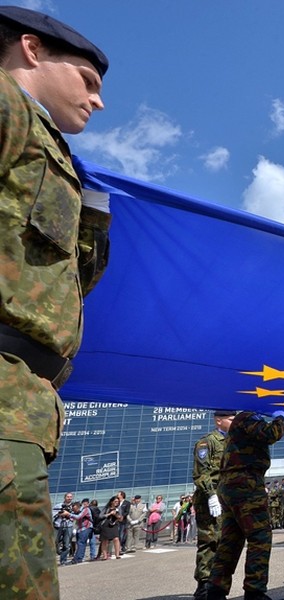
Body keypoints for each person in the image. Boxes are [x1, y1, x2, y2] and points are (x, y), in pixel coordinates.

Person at [0, 8, 111, 593]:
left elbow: (52, 282)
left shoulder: (52, 150)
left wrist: (91, 227)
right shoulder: (8, 106)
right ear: (32, 49)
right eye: (88, 81)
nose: (97, 101)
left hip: (24, 400)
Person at [205, 410, 284, 600]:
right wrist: (280, 417)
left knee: (231, 541)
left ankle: (216, 590)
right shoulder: (247, 417)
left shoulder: (242, 421)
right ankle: (254, 591)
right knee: (259, 536)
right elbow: (271, 434)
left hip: (232, 485)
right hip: (245, 484)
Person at [191, 410, 235, 599]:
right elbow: (201, 473)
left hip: (228, 498)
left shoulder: (234, 441)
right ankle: (204, 586)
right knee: (210, 541)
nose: (234, 422)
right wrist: (211, 495)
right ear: (219, 421)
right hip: (210, 500)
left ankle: (217, 587)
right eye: (231, 419)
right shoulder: (207, 442)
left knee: (226, 543)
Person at [52, 492, 76, 567]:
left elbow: (77, 516)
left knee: (66, 544)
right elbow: (52, 514)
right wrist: (60, 514)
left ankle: (63, 560)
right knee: (54, 541)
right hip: (58, 526)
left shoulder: (74, 507)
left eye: (70, 497)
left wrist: (68, 514)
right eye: (68, 496)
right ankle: (56, 553)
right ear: (65, 497)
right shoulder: (58, 505)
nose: (69, 498)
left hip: (69, 526)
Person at [99, 496, 123, 560]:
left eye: (118, 502)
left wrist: (115, 514)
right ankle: (105, 556)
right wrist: (109, 514)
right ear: (112, 501)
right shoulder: (106, 508)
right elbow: (100, 516)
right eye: (115, 501)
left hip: (114, 524)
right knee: (105, 540)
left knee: (116, 539)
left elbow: (121, 518)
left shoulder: (118, 508)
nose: (116, 503)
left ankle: (117, 555)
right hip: (106, 524)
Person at [70, 498, 93, 564]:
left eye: (75, 509)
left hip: (86, 528)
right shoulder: (78, 511)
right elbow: (73, 518)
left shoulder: (86, 509)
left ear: (78, 507)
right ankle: (77, 558)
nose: (74, 511)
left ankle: (79, 558)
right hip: (79, 529)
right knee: (80, 544)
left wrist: (68, 514)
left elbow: (79, 517)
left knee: (81, 543)